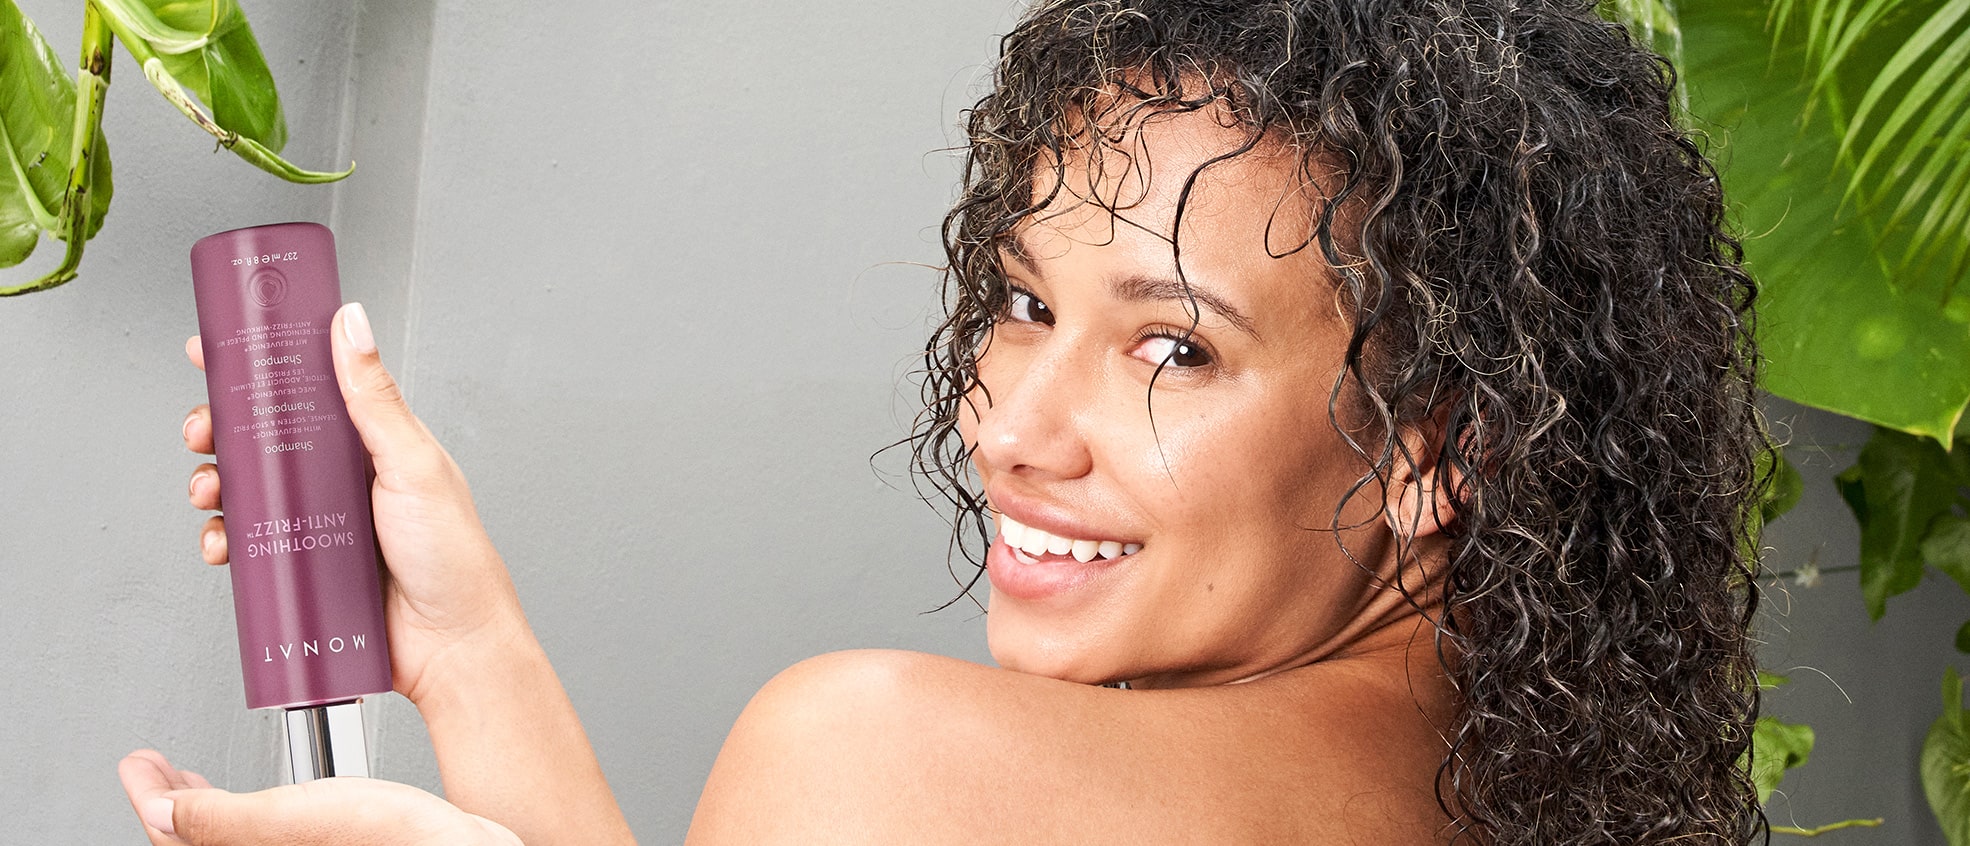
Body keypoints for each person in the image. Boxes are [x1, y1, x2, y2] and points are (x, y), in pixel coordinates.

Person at [119, 0, 1767, 842]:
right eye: (1028, 302)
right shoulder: (1517, 792)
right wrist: (477, 655)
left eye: (1174, 349)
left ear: (1436, 441)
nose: (1015, 428)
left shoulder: (886, 763)